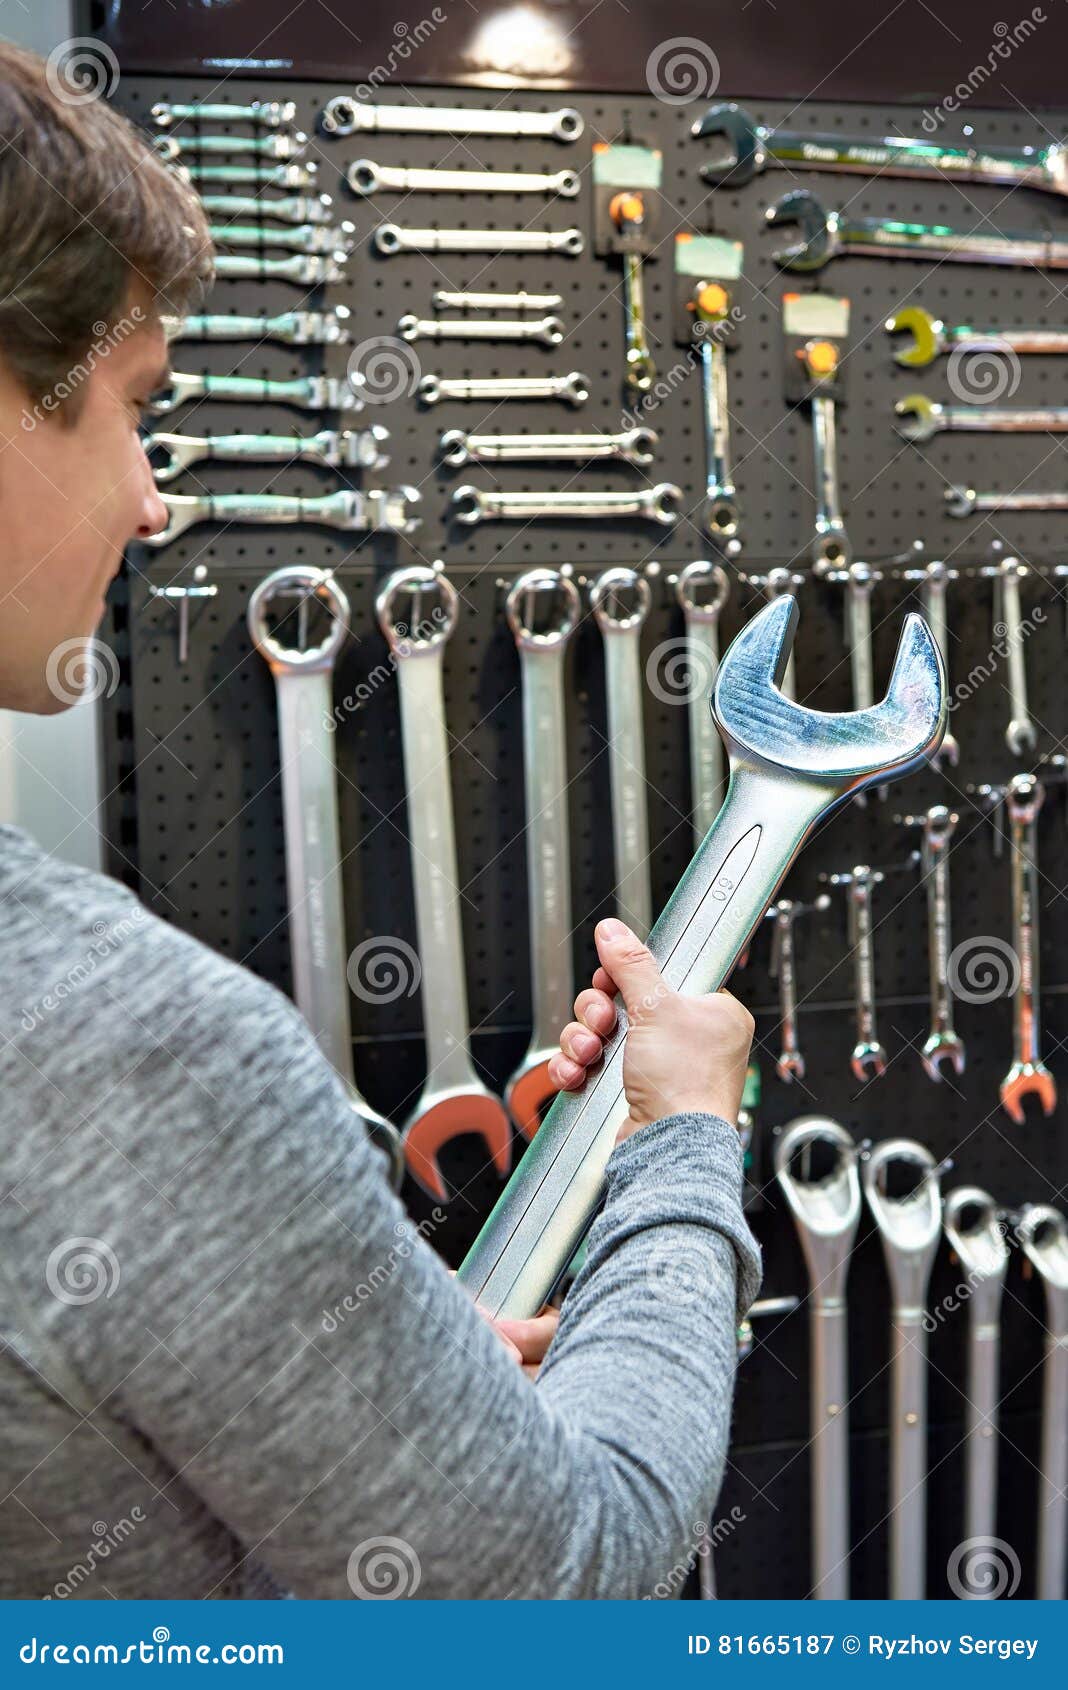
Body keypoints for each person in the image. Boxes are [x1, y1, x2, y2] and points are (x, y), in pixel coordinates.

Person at [0, 40, 761, 1600]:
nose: (155, 499)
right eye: (134, 408)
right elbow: (565, 1582)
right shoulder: (126, 1047)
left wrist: (344, 1372)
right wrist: (683, 1146)